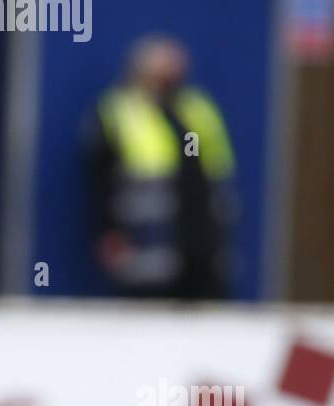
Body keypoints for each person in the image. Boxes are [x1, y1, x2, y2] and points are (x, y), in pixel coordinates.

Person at [85, 36, 236, 301]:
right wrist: (109, 231)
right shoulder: (118, 111)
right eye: (163, 66)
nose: (171, 72)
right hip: (148, 243)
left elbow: (217, 172)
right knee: (149, 323)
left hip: (201, 244)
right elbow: (101, 180)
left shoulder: (196, 107)